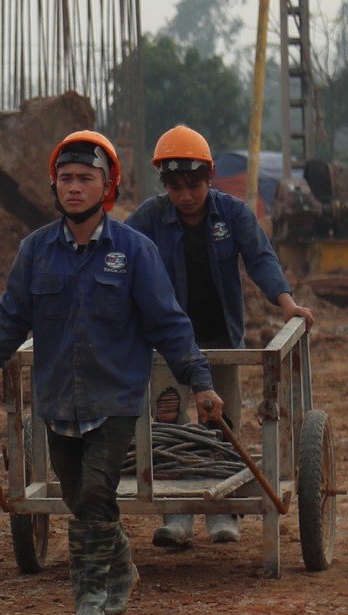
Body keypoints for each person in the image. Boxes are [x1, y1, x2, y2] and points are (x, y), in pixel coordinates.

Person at [0, 131, 220, 615]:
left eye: (86, 179)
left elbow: (169, 323)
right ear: (53, 187)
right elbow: (10, 319)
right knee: (82, 500)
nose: (74, 187)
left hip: (116, 397)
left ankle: (89, 599)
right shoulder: (35, 252)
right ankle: (122, 564)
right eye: (66, 179)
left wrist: (199, 383)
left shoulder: (134, 252)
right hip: (57, 399)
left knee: (97, 494)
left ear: (108, 187)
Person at [123, 126, 314, 550]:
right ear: (165, 185)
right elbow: (118, 256)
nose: (185, 195)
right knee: (169, 424)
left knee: (220, 423)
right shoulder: (150, 218)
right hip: (168, 345)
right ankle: (177, 515)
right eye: (175, 186)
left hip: (222, 340)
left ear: (209, 178)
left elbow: (261, 259)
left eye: (193, 185)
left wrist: (287, 305)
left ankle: (222, 510)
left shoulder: (233, 214)